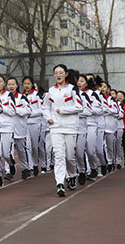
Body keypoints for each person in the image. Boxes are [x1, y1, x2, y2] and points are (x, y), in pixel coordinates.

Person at [42, 64, 82, 197]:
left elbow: (79, 107)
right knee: (59, 155)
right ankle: (60, 183)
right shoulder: (51, 91)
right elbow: (45, 107)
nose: (58, 75)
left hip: (70, 127)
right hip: (55, 128)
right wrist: (48, 117)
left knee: (69, 156)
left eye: (61, 73)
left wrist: (63, 110)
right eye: (56, 73)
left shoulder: (72, 89)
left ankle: (72, 174)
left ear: (66, 74)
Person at [7, 77, 32, 180]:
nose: (11, 86)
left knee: (21, 150)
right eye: (9, 84)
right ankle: (9, 170)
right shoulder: (4, 97)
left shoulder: (22, 98)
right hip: (7, 128)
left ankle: (25, 167)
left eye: (13, 84)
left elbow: (29, 110)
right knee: (7, 151)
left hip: (20, 128)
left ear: (17, 85)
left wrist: (17, 110)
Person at [0, 76, 17, 181]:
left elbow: (13, 111)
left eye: (0, 82)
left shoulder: (8, 95)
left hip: (7, 127)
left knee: (6, 154)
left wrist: (2, 108)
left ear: (4, 84)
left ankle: (11, 164)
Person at [23, 76, 46, 175]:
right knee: (27, 146)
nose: (27, 86)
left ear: (32, 84)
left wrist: (31, 113)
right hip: (25, 124)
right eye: (25, 84)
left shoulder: (37, 95)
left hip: (36, 123)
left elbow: (42, 109)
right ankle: (30, 166)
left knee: (35, 146)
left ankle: (37, 164)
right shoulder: (21, 96)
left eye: (28, 84)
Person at [100, 81, 119, 172]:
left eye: (104, 87)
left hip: (109, 126)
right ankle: (103, 163)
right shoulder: (95, 97)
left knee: (109, 146)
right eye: (101, 86)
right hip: (99, 125)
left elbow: (115, 110)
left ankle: (111, 161)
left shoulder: (111, 99)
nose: (102, 88)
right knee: (100, 146)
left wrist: (107, 110)